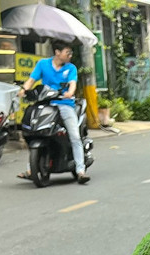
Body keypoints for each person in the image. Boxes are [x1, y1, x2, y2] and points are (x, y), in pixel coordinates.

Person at [18, 41, 88, 184]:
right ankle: (31, 169)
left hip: (64, 104)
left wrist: (70, 92)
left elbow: (72, 83)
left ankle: (80, 170)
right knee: (33, 131)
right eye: (67, 52)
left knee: (75, 136)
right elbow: (31, 80)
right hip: (46, 103)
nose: (70, 55)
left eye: (71, 53)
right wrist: (23, 90)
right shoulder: (43, 64)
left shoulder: (71, 68)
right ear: (57, 52)